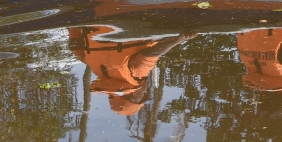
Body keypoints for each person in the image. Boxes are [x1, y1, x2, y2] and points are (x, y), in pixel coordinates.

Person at [68, 26, 197, 116]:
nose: (145, 91)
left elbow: (152, 53)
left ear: (134, 96)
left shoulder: (136, 75)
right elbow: (74, 44)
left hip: (132, 17)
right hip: (96, 19)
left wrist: (179, 39)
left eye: (144, 95)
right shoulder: (93, 65)